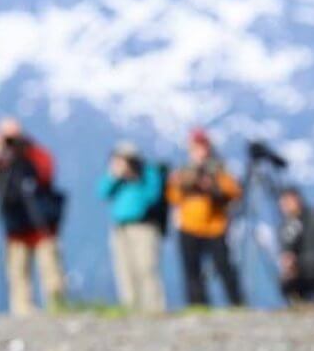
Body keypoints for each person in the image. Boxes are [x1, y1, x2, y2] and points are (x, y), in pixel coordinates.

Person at [0, 118, 66, 316]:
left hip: (41, 224)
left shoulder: (35, 153)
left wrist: (25, 153)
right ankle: (23, 311)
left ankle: (57, 307)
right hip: (15, 226)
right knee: (17, 272)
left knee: (50, 269)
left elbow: (46, 173)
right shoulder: (0, 160)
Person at [167, 128, 244, 307]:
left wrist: (212, 186)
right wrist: (179, 183)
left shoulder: (219, 170)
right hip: (189, 227)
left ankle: (237, 303)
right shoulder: (183, 172)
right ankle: (198, 305)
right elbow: (174, 198)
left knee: (224, 268)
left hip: (215, 227)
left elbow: (234, 192)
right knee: (192, 270)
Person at [96, 141, 167, 314]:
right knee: (124, 269)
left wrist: (135, 177)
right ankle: (130, 307)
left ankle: (154, 307)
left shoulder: (148, 173)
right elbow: (102, 192)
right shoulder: (116, 178)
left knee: (146, 267)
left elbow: (153, 196)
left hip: (144, 226)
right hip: (120, 228)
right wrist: (115, 176)